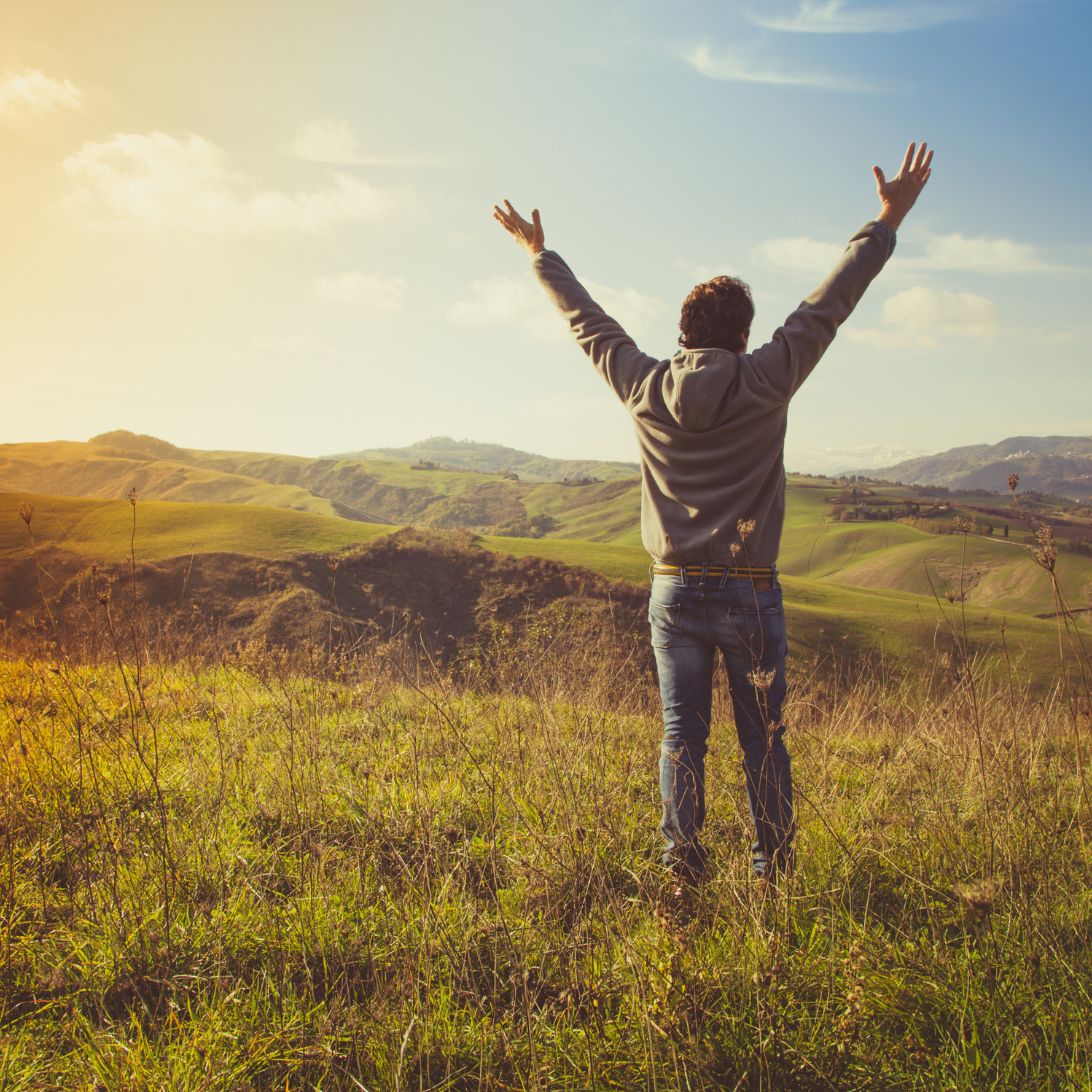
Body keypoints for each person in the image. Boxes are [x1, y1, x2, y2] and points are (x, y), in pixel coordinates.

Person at [493, 142, 934, 894]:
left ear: (683, 333)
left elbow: (587, 323)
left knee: (680, 739)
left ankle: (681, 876)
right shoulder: (766, 378)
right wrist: (886, 219)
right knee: (762, 742)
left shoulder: (642, 385)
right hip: (750, 590)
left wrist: (541, 256)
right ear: (740, 336)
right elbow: (831, 303)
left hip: (672, 591)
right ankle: (770, 876)